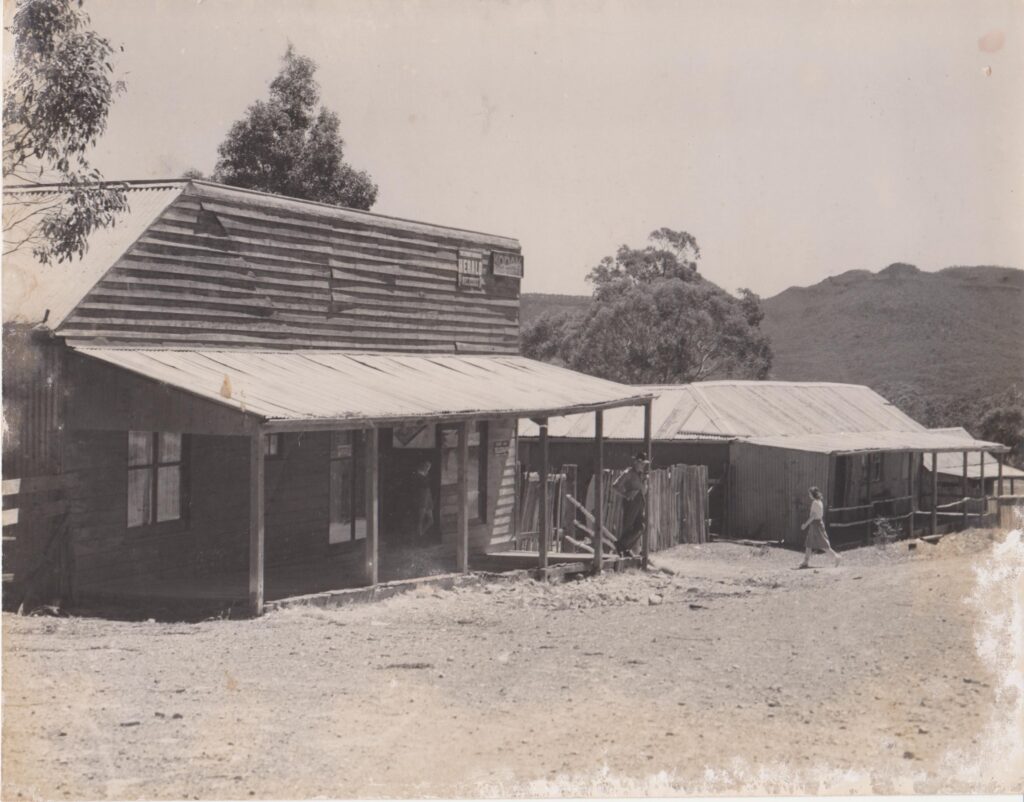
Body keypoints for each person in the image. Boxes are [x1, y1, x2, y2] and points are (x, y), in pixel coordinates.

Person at [612, 451, 650, 557]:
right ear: (635, 462)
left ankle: (622, 545)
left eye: (644, 464)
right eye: (640, 463)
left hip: (640, 501)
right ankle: (624, 548)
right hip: (631, 502)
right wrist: (626, 494)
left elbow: (644, 490)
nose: (642, 466)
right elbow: (615, 485)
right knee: (628, 526)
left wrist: (645, 482)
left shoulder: (642, 475)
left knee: (641, 527)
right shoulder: (629, 472)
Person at [799, 486, 840, 568]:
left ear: (812, 494)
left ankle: (836, 557)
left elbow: (813, 516)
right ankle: (806, 561)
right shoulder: (819, 501)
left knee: (823, 544)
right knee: (809, 543)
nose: (809, 495)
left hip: (816, 525)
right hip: (817, 524)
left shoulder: (815, 502)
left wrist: (805, 525)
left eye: (809, 493)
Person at [413, 460, 434, 539]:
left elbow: (428, 484)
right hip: (422, 496)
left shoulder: (426, 475)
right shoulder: (418, 475)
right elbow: (422, 485)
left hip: (428, 496)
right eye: (427, 466)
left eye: (429, 467)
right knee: (420, 520)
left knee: (431, 520)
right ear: (424, 466)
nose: (428, 468)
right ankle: (419, 535)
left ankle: (421, 533)